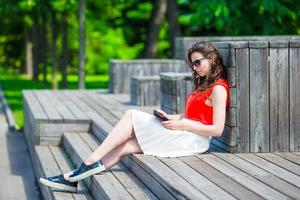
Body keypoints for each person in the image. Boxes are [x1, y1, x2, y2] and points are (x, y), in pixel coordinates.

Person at [39, 41, 230, 193]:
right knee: (127, 145)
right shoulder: (203, 85)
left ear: (212, 58)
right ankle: (72, 178)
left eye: (198, 63)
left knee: (130, 115)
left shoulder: (219, 89)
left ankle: (88, 162)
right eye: (192, 64)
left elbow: (216, 129)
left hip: (195, 140)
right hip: (185, 131)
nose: (195, 68)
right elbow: (191, 114)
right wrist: (172, 116)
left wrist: (183, 126)